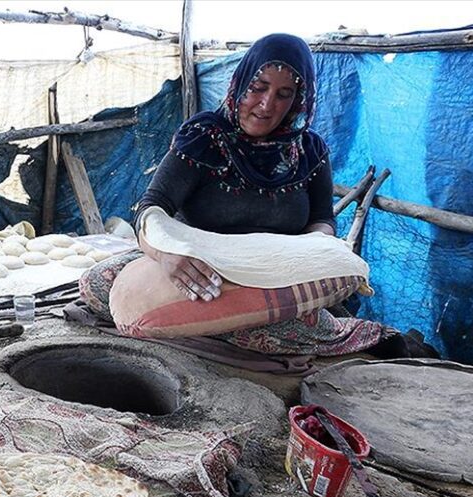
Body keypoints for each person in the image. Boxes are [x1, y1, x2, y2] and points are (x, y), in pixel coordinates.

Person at [86, 33, 428, 359]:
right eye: (258, 87)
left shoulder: (310, 151)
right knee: (98, 284)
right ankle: (280, 330)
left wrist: (310, 249)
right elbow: (152, 207)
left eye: (284, 94)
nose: (266, 105)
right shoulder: (204, 137)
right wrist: (167, 255)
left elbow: (322, 219)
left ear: (299, 98)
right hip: (204, 266)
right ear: (240, 82)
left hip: (273, 275)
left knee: (291, 321)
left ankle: (361, 337)